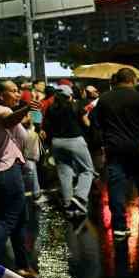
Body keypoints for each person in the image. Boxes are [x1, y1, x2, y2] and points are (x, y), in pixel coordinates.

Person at [0, 81, 40, 278]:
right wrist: (24, 110)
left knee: (19, 219)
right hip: (6, 171)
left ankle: (22, 266)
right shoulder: (0, 110)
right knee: (8, 219)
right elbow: (8, 120)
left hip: (0, 170)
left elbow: (17, 132)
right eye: (13, 91)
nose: (17, 94)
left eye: (18, 91)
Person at [89, 68, 139, 239]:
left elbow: (95, 122)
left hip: (114, 149)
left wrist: (102, 142)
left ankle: (119, 227)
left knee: (116, 188)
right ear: (132, 80)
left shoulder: (104, 99)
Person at [43, 82, 94, 216]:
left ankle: (68, 206)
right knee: (87, 170)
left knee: (64, 173)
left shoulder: (51, 109)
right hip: (75, 140)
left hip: (57, 142)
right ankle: (80, 197)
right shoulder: (75, 106)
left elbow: (46, 127)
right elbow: (86, 123)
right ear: (69, 96)